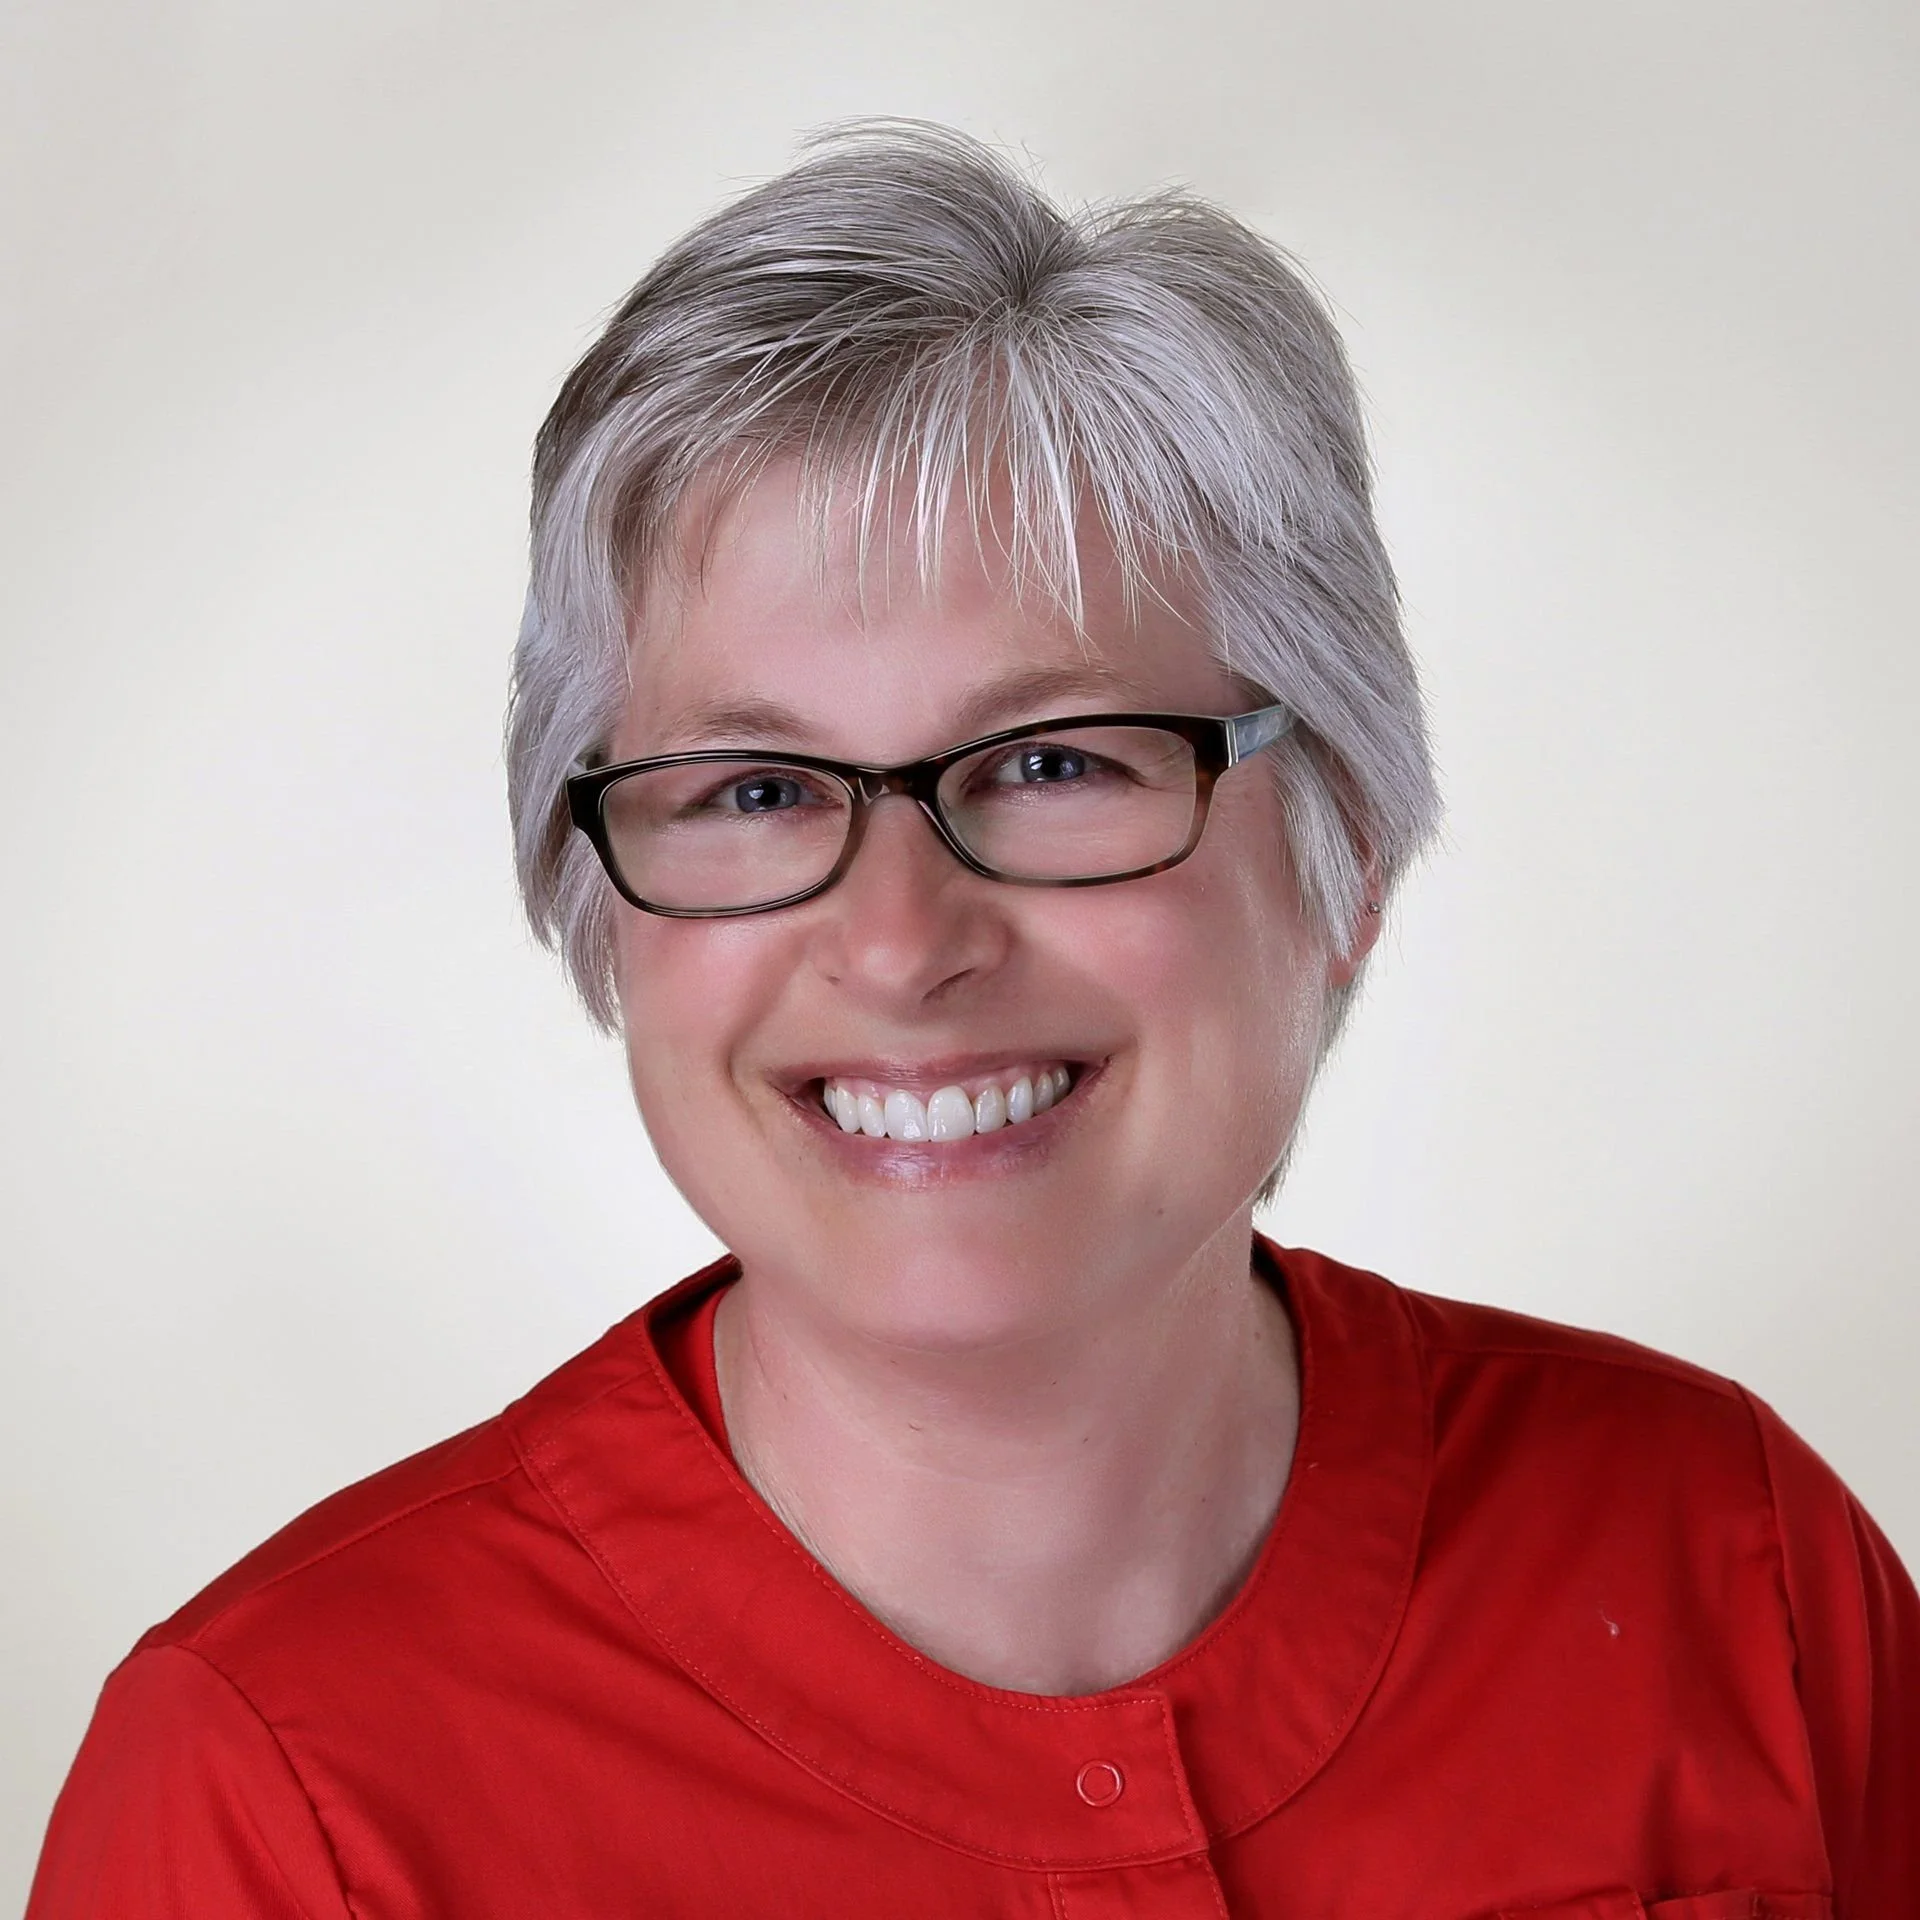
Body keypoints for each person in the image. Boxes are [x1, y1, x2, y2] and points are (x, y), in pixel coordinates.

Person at [29, 121, 1919, 1919]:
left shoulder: (1732, 1569)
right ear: (599, 892)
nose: (901, 936)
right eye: (756, 790)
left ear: (1345, 852)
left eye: (1054, 761)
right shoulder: (282, 1797)